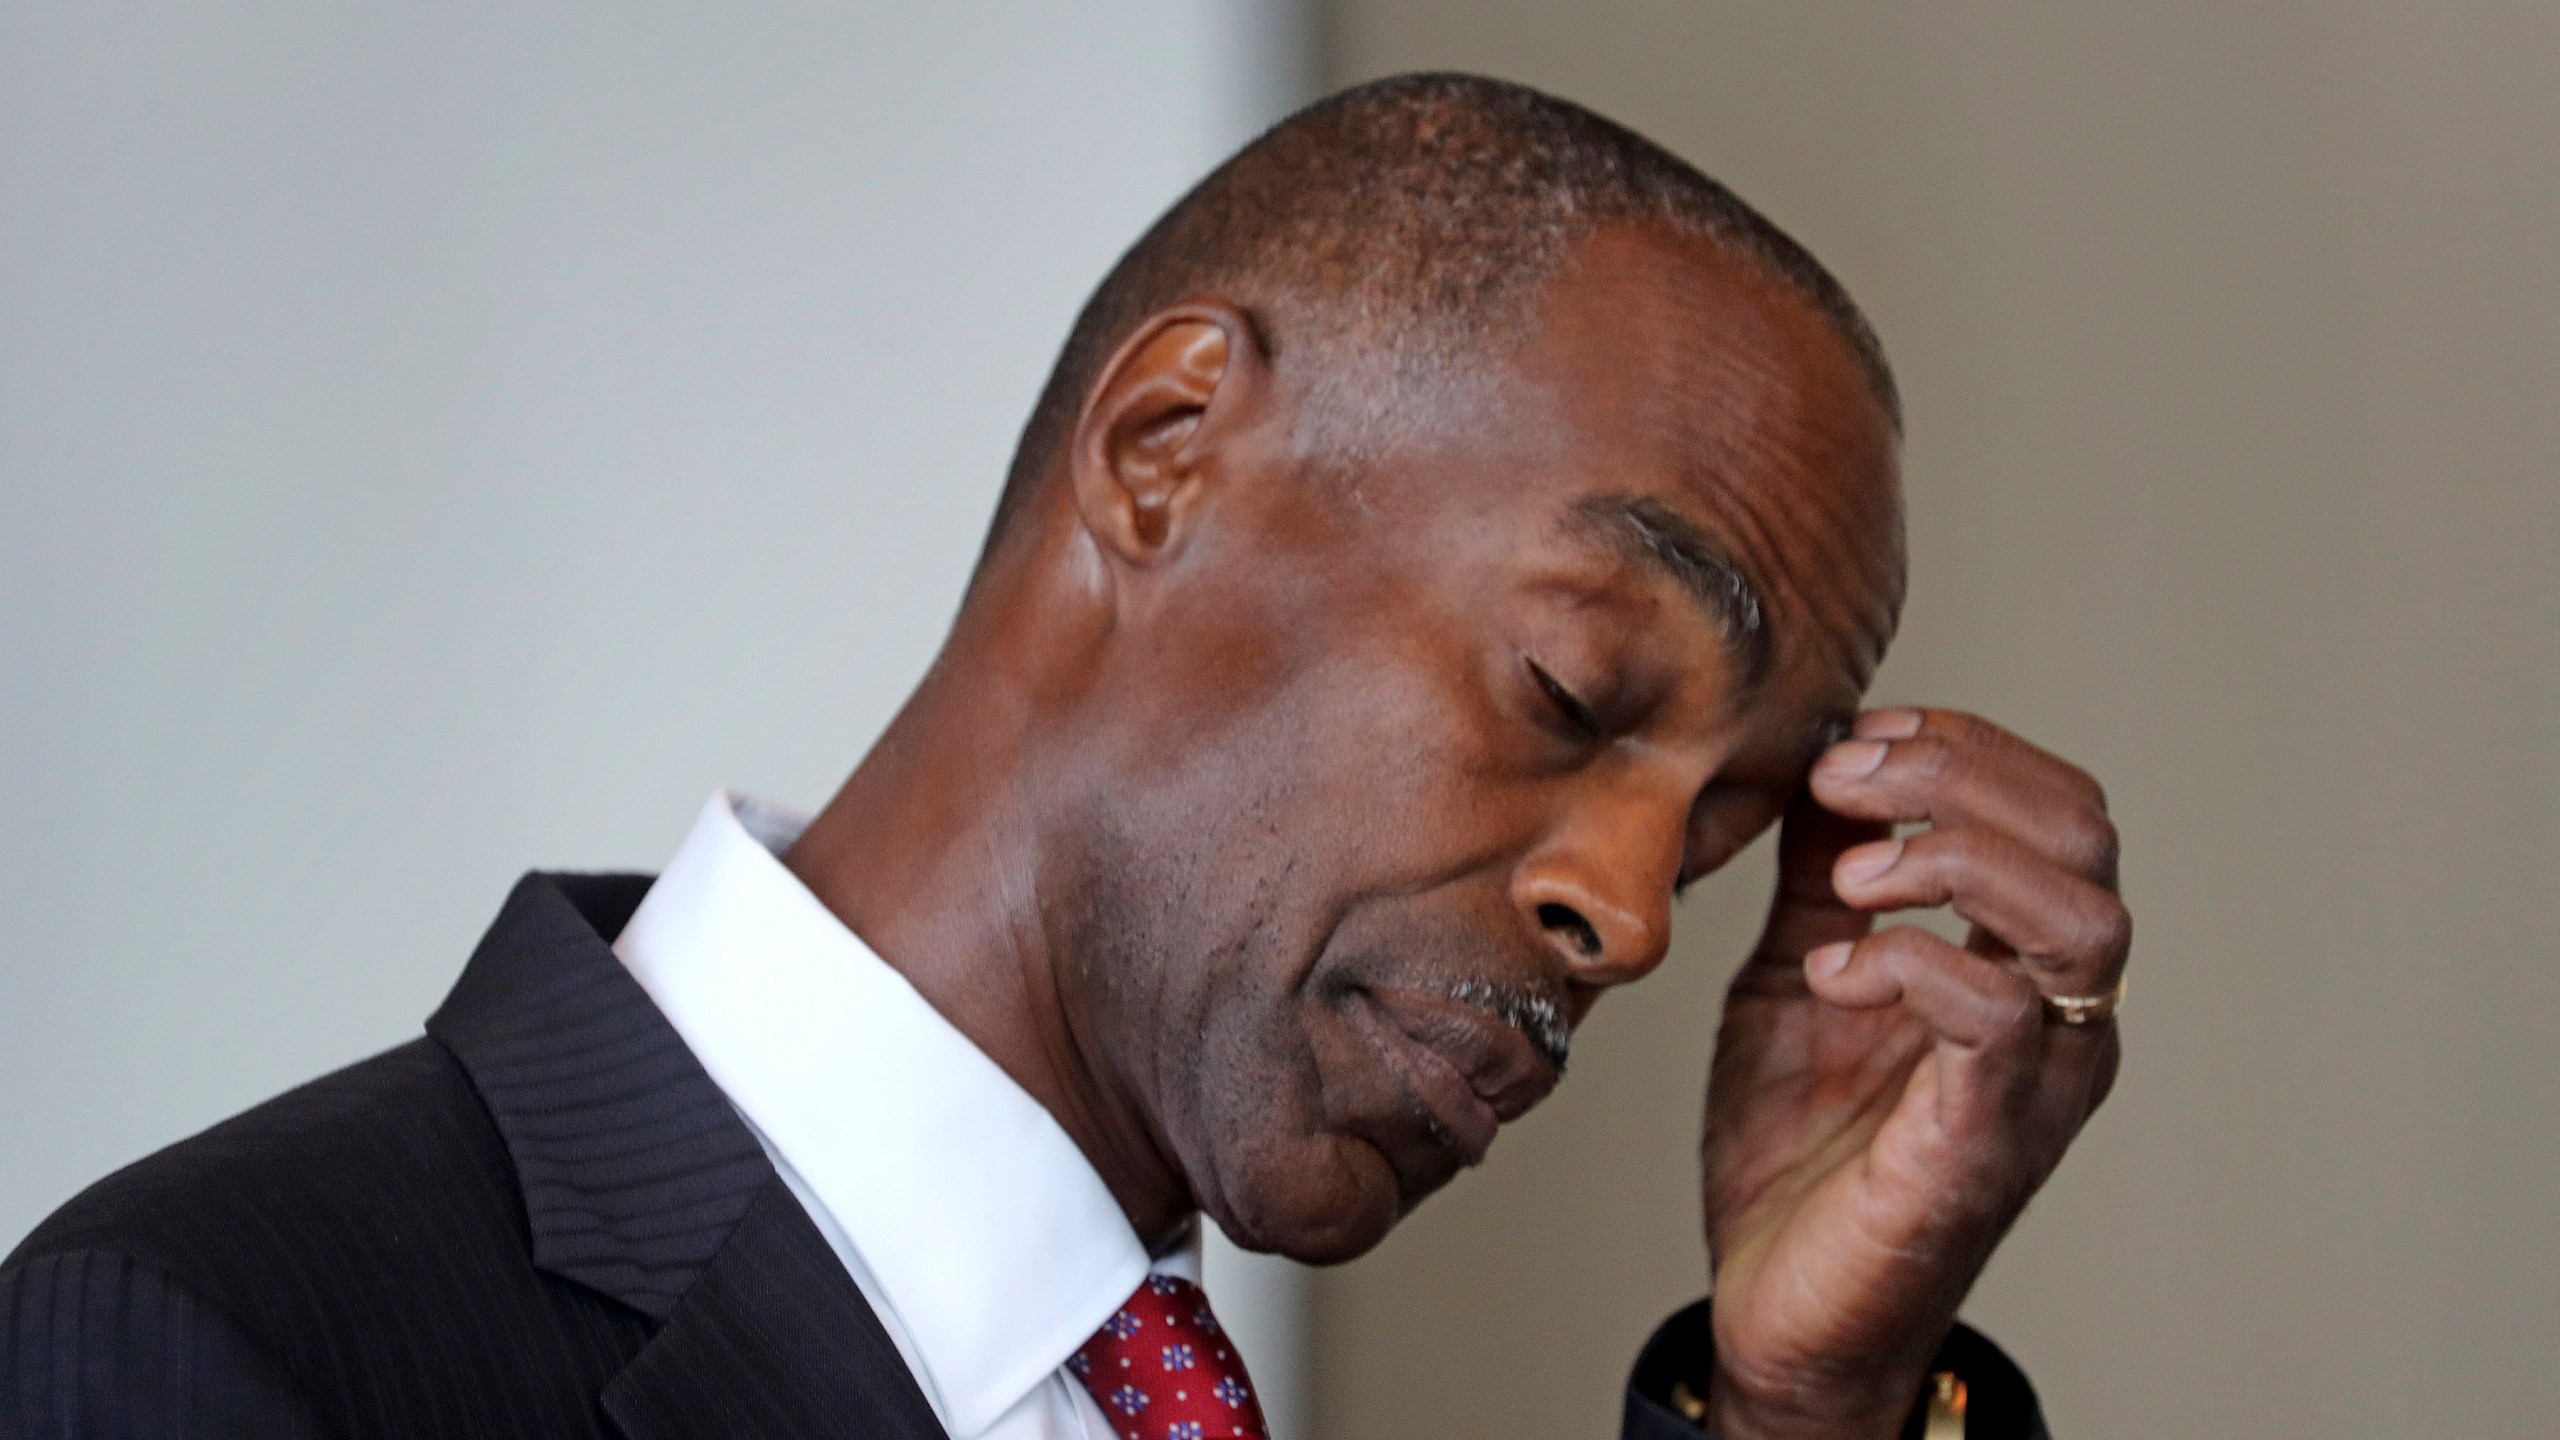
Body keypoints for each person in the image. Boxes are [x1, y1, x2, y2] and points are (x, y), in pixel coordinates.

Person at [0, 73, 2128, 1440]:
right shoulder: (219, 1354)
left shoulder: (1158, 1398)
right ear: (1163, 454)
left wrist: (1805, 1413)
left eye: (1733, 820)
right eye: (1571, 696)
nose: (1635, 913)